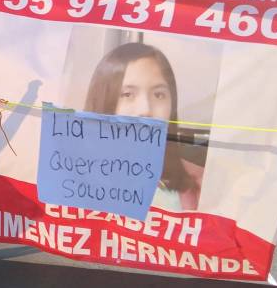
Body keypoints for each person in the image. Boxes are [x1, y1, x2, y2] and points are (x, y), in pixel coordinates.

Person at [83, 41, 205, 211]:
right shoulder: (71, 179)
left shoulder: (204, 184)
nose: (145, 110)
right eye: (127, 94)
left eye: (158, 94)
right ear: (104, 103)